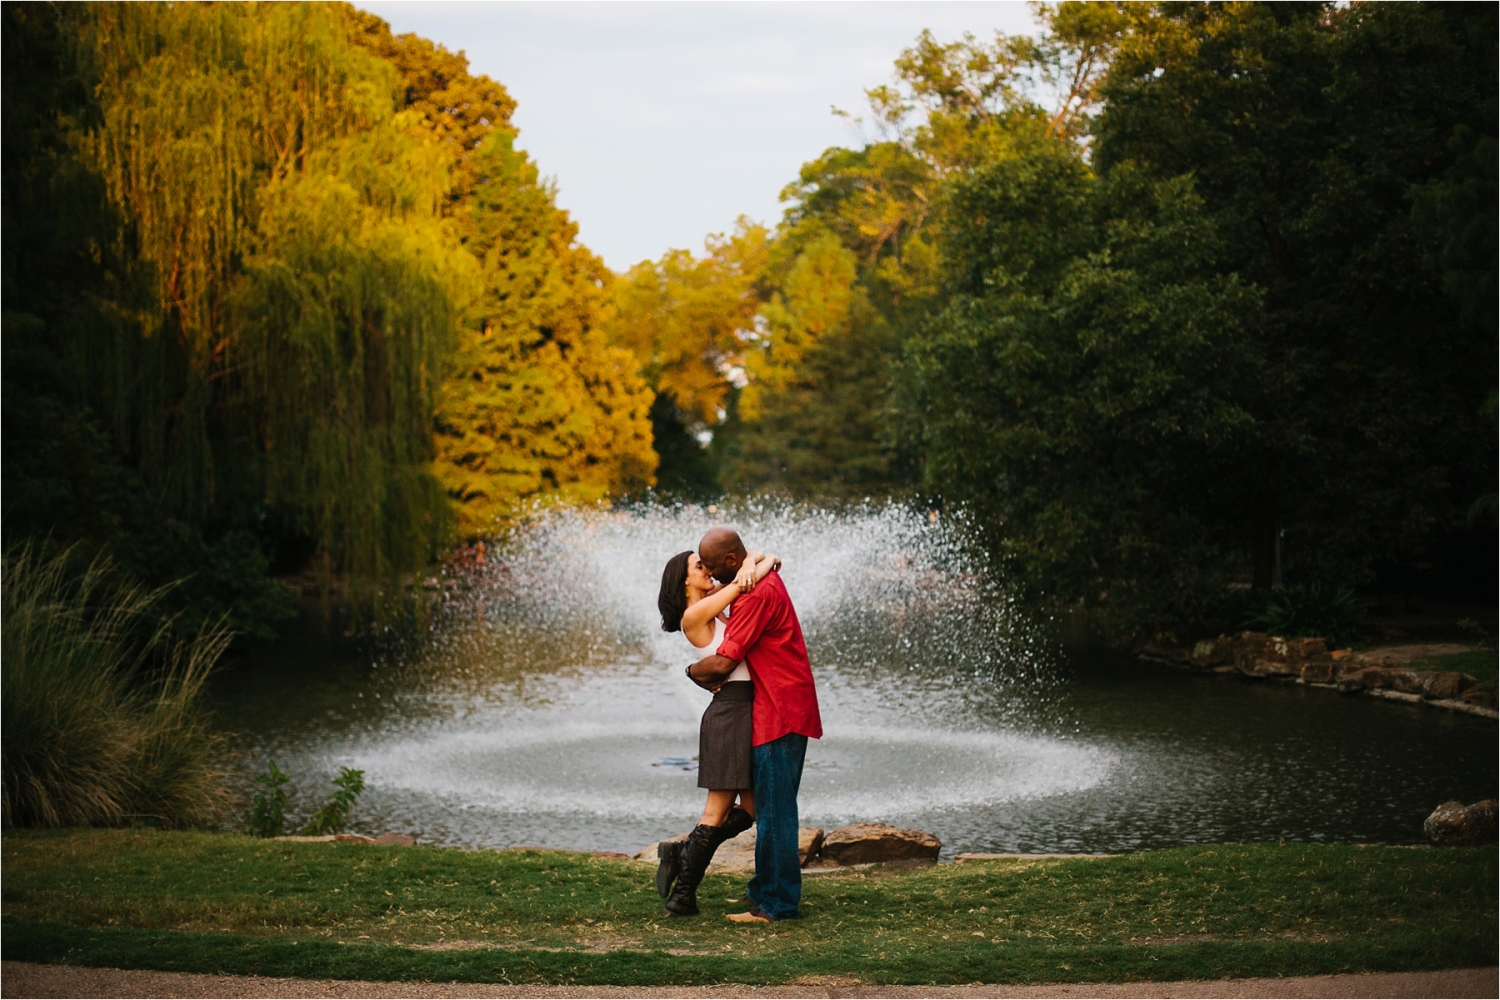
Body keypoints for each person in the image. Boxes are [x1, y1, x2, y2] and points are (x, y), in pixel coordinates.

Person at [687, 526, 821, 923]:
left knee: (777, 811)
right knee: (769, 807)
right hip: (776, 707)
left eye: (712, 566)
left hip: (779, 711)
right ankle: (763, 890)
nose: (708, 574)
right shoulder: (755, 581)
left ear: (732, 561)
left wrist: (691, 670)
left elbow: (726, 661)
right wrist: (759, 559)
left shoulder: (755, 595)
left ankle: (777, 906)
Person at [654, 545, 780, 917]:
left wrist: (764, 559)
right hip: (728, 714)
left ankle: (683, 851)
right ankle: (681, 899)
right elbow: (744, 584)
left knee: (752, 809)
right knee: (716, 811)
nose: (707, 569)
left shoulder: (715, 605)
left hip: (744, 710)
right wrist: (752, 568)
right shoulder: (694, 614)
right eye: (699, 566)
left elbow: (758, 557)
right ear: (684, 579)